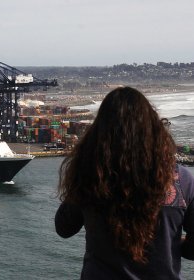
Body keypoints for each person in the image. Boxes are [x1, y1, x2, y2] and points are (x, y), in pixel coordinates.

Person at [55, 86, 194, 279]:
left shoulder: (90, 177)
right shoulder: (183, 181)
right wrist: (173, 244)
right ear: (154, 129)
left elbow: (64, 228)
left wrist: (81, 173)